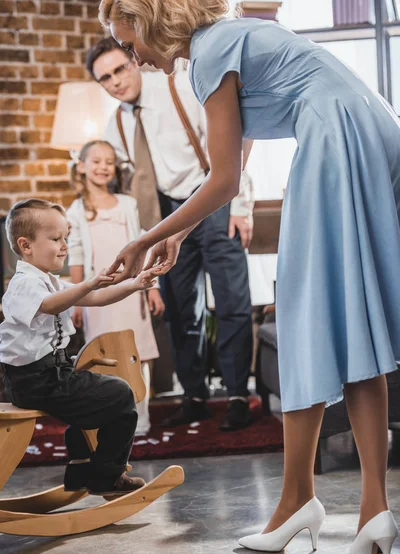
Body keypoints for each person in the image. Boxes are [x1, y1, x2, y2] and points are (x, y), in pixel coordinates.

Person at [98, 0, 400, 554]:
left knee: (306, 312)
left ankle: (296, 502)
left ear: (148, 21)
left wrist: (143, 239)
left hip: (336, 137)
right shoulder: (228, 39)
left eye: (128, 39)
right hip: (371, 127)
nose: (132, 54)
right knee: (353, 319)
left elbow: (224, 177)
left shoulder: (210, 52)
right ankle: (370, 509)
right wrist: (183, 235)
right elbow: (234, 160)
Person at [85, 36, 255, 431]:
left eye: (119, 70)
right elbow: (131, 185)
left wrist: (242, 206)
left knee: (231, 301)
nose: (115, 82)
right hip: (168, 216)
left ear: (133, 62)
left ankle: (236, 396)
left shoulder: (179, 86)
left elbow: (235, 143)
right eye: (105, 78)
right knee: (181, 309)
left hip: (213, 197)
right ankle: (194, 396)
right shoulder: (117, 124)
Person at [0, 198, 157, 496]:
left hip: (51, 375)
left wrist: (135, 284)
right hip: (37, 380)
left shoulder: (48, 281)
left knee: (103, 398)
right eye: (56, 239)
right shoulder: (23, 284)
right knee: (121, 396)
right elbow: (49, 306)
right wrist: (87, 284)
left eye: (66, 239)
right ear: (26, 245)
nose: (64, 246)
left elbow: (96, 298)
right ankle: (106, 476)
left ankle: (81, 467)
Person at [67, 139, 164, 436]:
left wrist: (153, 288)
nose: (103, 167)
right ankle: (109, 418)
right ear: (82, 167)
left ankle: (142, 419)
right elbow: (77, 258)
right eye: (96, 161)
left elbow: (145, 247)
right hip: (99, 298)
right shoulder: (76, 211)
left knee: (139, 353)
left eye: (108, 161)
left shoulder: (128, 205)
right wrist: (77, 301)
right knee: (104, 352)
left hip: (132, 293)